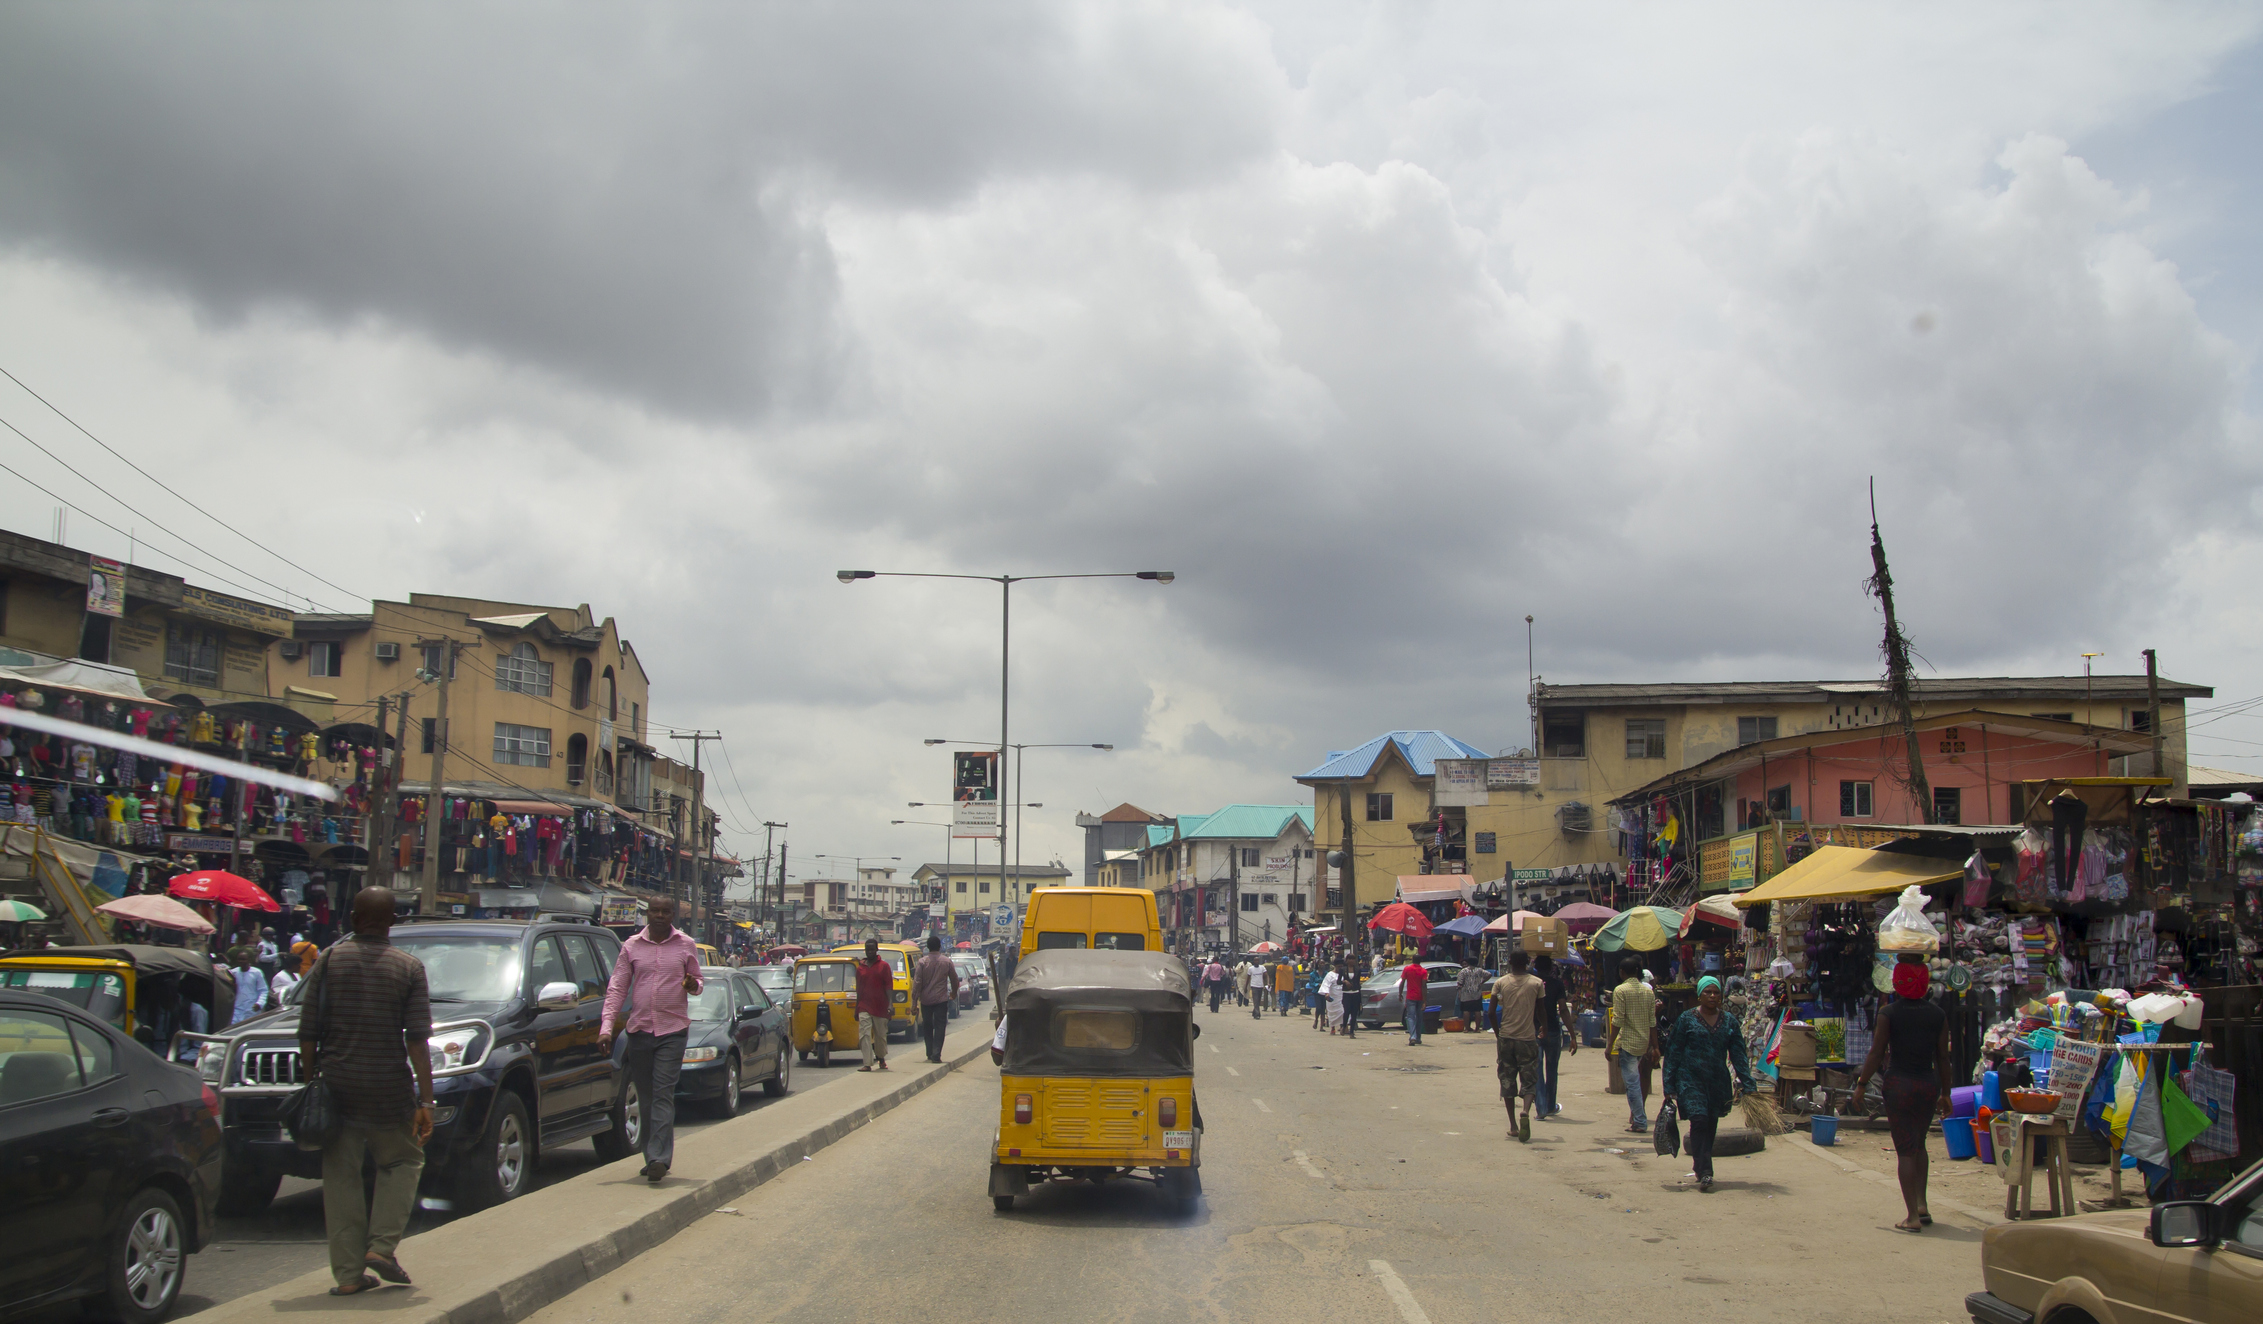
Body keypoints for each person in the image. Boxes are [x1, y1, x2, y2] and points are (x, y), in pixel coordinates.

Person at [298, 887, 432, 1295]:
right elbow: (417, 1039)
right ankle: (381, 1246)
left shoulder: (329, 961)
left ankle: (349, 1277)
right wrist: (425, 1099)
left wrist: (310, 1086)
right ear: (393, 922)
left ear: (353, 920)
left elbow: (307, 1032)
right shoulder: (408, 968)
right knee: (404, 1162)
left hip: (337, 1088)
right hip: (389, 1089)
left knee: (341, 1179)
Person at [600, 897, 703, 1183]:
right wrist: (606, 1028)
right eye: (655, 911)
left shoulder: (685, 944)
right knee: (645, 1097)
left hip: (672, 1030)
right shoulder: (631, 946)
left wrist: (694, 985)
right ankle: (650, 1156)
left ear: (673, 915)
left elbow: (697, 981)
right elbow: (618, 987)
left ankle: (659, 1158)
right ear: (647, 913)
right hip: (640, 1031)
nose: (659, 915)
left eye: (665, 911)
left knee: (662, 1093)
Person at [1850, 959, 1953, 1232]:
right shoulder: (1937, 1015)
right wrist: (1947, 1093)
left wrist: (1861, 1084)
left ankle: (1912, 1217)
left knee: (1905, 1150)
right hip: (1927, 1085)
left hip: (1899, 1085)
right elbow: (1943, 1057)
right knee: (1919, 1144)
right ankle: (1922, 1204)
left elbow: (1876, 1052)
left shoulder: (1889, 1013)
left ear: (1896, 981)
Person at [1661, 975, 1756, 1193]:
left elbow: (1738, 1055)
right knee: (1699, 1120)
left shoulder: (1729, 1022)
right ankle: (1706, 1172)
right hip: (1690, 1079)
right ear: (1699, 995)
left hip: (1717, 1081)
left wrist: (1748, 1084)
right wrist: (1669, 1085)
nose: (1712, 996)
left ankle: (1699, 1163)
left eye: (1716, 993)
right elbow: (1673, 1053)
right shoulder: (1687, 1019)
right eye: (1708, 992)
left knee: (1711, 1123)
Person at [1490, 949, 1545, 1142]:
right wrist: (1543, 1028)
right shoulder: (1536, 983)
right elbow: (1541, 1011)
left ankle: (1513, 1125)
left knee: (1507, 1079)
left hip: (1506, 1038)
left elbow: (1491, 1012)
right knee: (1529, 1078)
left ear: (1510, 963)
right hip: (1528, 1038)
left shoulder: (1501, 982)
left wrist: (1498, 1034)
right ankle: (1526, 1111)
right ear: (1528, 963)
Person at [1609, 958, 1659, 1133]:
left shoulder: (1620, 990)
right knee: (1637, 1081)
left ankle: (1639, 1120)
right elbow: (1652, 1021)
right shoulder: (1648, 992)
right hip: (1643, 1042)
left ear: (1622, 972)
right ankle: (1638, 1117)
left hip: (1628, 1044)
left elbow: (1618, 1020)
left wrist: (1609, 1045)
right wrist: (1656, 1046)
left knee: (1632, 1084)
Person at [1533, 953, 1577, 1117]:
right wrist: (1572, 1035)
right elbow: (1563, 1010)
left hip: (1535, 1031)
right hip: (1552, 1030)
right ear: (1551, 968)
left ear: (1536, 967)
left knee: (1537, 1070)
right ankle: (1550, 1106)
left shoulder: (1532, 983)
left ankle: (1541, 1108)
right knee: (1552, 1070)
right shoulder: (1557, 984)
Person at [912, 935, 960, 1064]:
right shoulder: (946, 961)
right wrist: (954, 993)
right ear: (940, 946)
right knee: (940, 1027)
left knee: (927, 1026)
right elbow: (954, 980)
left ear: (927, 947)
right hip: (941, 1000)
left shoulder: (922, 962)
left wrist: (913, 1003)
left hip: (926, 1000)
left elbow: (917, 983)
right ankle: (936, 1053)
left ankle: (929, 1052)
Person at [851, 937, 894, 1072]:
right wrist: (857, 1008)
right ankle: (867, 1063)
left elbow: (888, 986)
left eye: (872, 949)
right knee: (864, 1034)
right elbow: (859, 989)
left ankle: (881, 1058)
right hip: (864, 1005)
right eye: (867, 949)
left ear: (876, 950)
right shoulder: (860, 968)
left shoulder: (884, 966)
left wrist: (890, 1004)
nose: (869, 952)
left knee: (880, 1035)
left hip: (880, 1006)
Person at [228, 946, 269, 1026]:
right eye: (239, 959)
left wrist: (259, 1003)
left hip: (251, 1008)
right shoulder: (233, 973)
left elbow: (263, 990)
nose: (241, 961)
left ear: (249, 960)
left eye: (243, 959)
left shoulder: (257, 973)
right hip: (237, 1009)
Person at [1398, 958, 1429, 1045]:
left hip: (1410, 997)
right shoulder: (1423, 971)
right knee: (1419, 1018)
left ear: (1412, 960)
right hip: (1420, 997)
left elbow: (1402, 982)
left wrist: (1400, 994)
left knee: (1411, 1017)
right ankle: (1418, 1038)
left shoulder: (1407, 969)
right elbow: (1424, 986)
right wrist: (1424, 1001)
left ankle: (1413, 1037)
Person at [1456, 962, 1487, 1034]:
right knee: (1477, 1010)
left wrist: (1460, 993)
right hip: (1477, 993)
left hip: (1466, 994)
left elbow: (1459, 983)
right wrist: (1482, 981)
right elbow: (1489, 974)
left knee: (1466, 1010)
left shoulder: (1463, 971)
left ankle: (1467, 1028)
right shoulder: (1479, 970)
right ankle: (1477, 1029)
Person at [1319, 962, 1343, 1033]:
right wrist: (1326, 993)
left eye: (1341, 966)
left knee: (1342, 1011)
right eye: (1339, 966)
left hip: (1342, 995)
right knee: (1332, 1013)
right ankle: (1333, 1027)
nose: (1340, 968)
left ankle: (1343, 1026)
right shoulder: (1330, 974)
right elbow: (1326, 984)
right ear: (1335, 966)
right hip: (1332, 995)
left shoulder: (1344, 974)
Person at [1340, 964, 1362, 1038]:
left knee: (1354, 1013)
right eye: (1349, 959)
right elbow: (1338, 981)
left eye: (1353, 960)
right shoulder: (1343, 970)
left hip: (1355, 993)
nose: (1351, 961)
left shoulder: (1357, 970)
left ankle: (1352, 1031)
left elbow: (1358, 982)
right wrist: (1345, 982)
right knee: (1346, 1011)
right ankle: (1344, 1026)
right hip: (1346, 993)